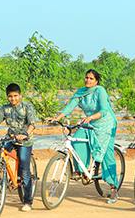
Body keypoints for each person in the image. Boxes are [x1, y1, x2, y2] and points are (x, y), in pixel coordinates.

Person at [51, 69, 119, 203]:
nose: (88, 80)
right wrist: (57, 117)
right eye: (86, 78)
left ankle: (113, 189)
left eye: (91, 78)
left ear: (96, 81)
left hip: (106, 123)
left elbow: (104, 110)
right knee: (76, 141)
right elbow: (70, 107)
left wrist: (92, 117)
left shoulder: (100, 91)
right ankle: (81, 170)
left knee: (106, 155)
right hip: (90, 122)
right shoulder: (81, 92)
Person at [0, 83, 38, 212]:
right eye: (10, 96)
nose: (13, 99)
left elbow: (32, 124)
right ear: (7, 97)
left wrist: (25, 134)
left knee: (24, 169)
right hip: (10, 138)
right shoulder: (4, 108)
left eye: (15, 96)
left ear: (20, 95)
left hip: (25, 140)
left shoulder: (27, 106)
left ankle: (28, 201)